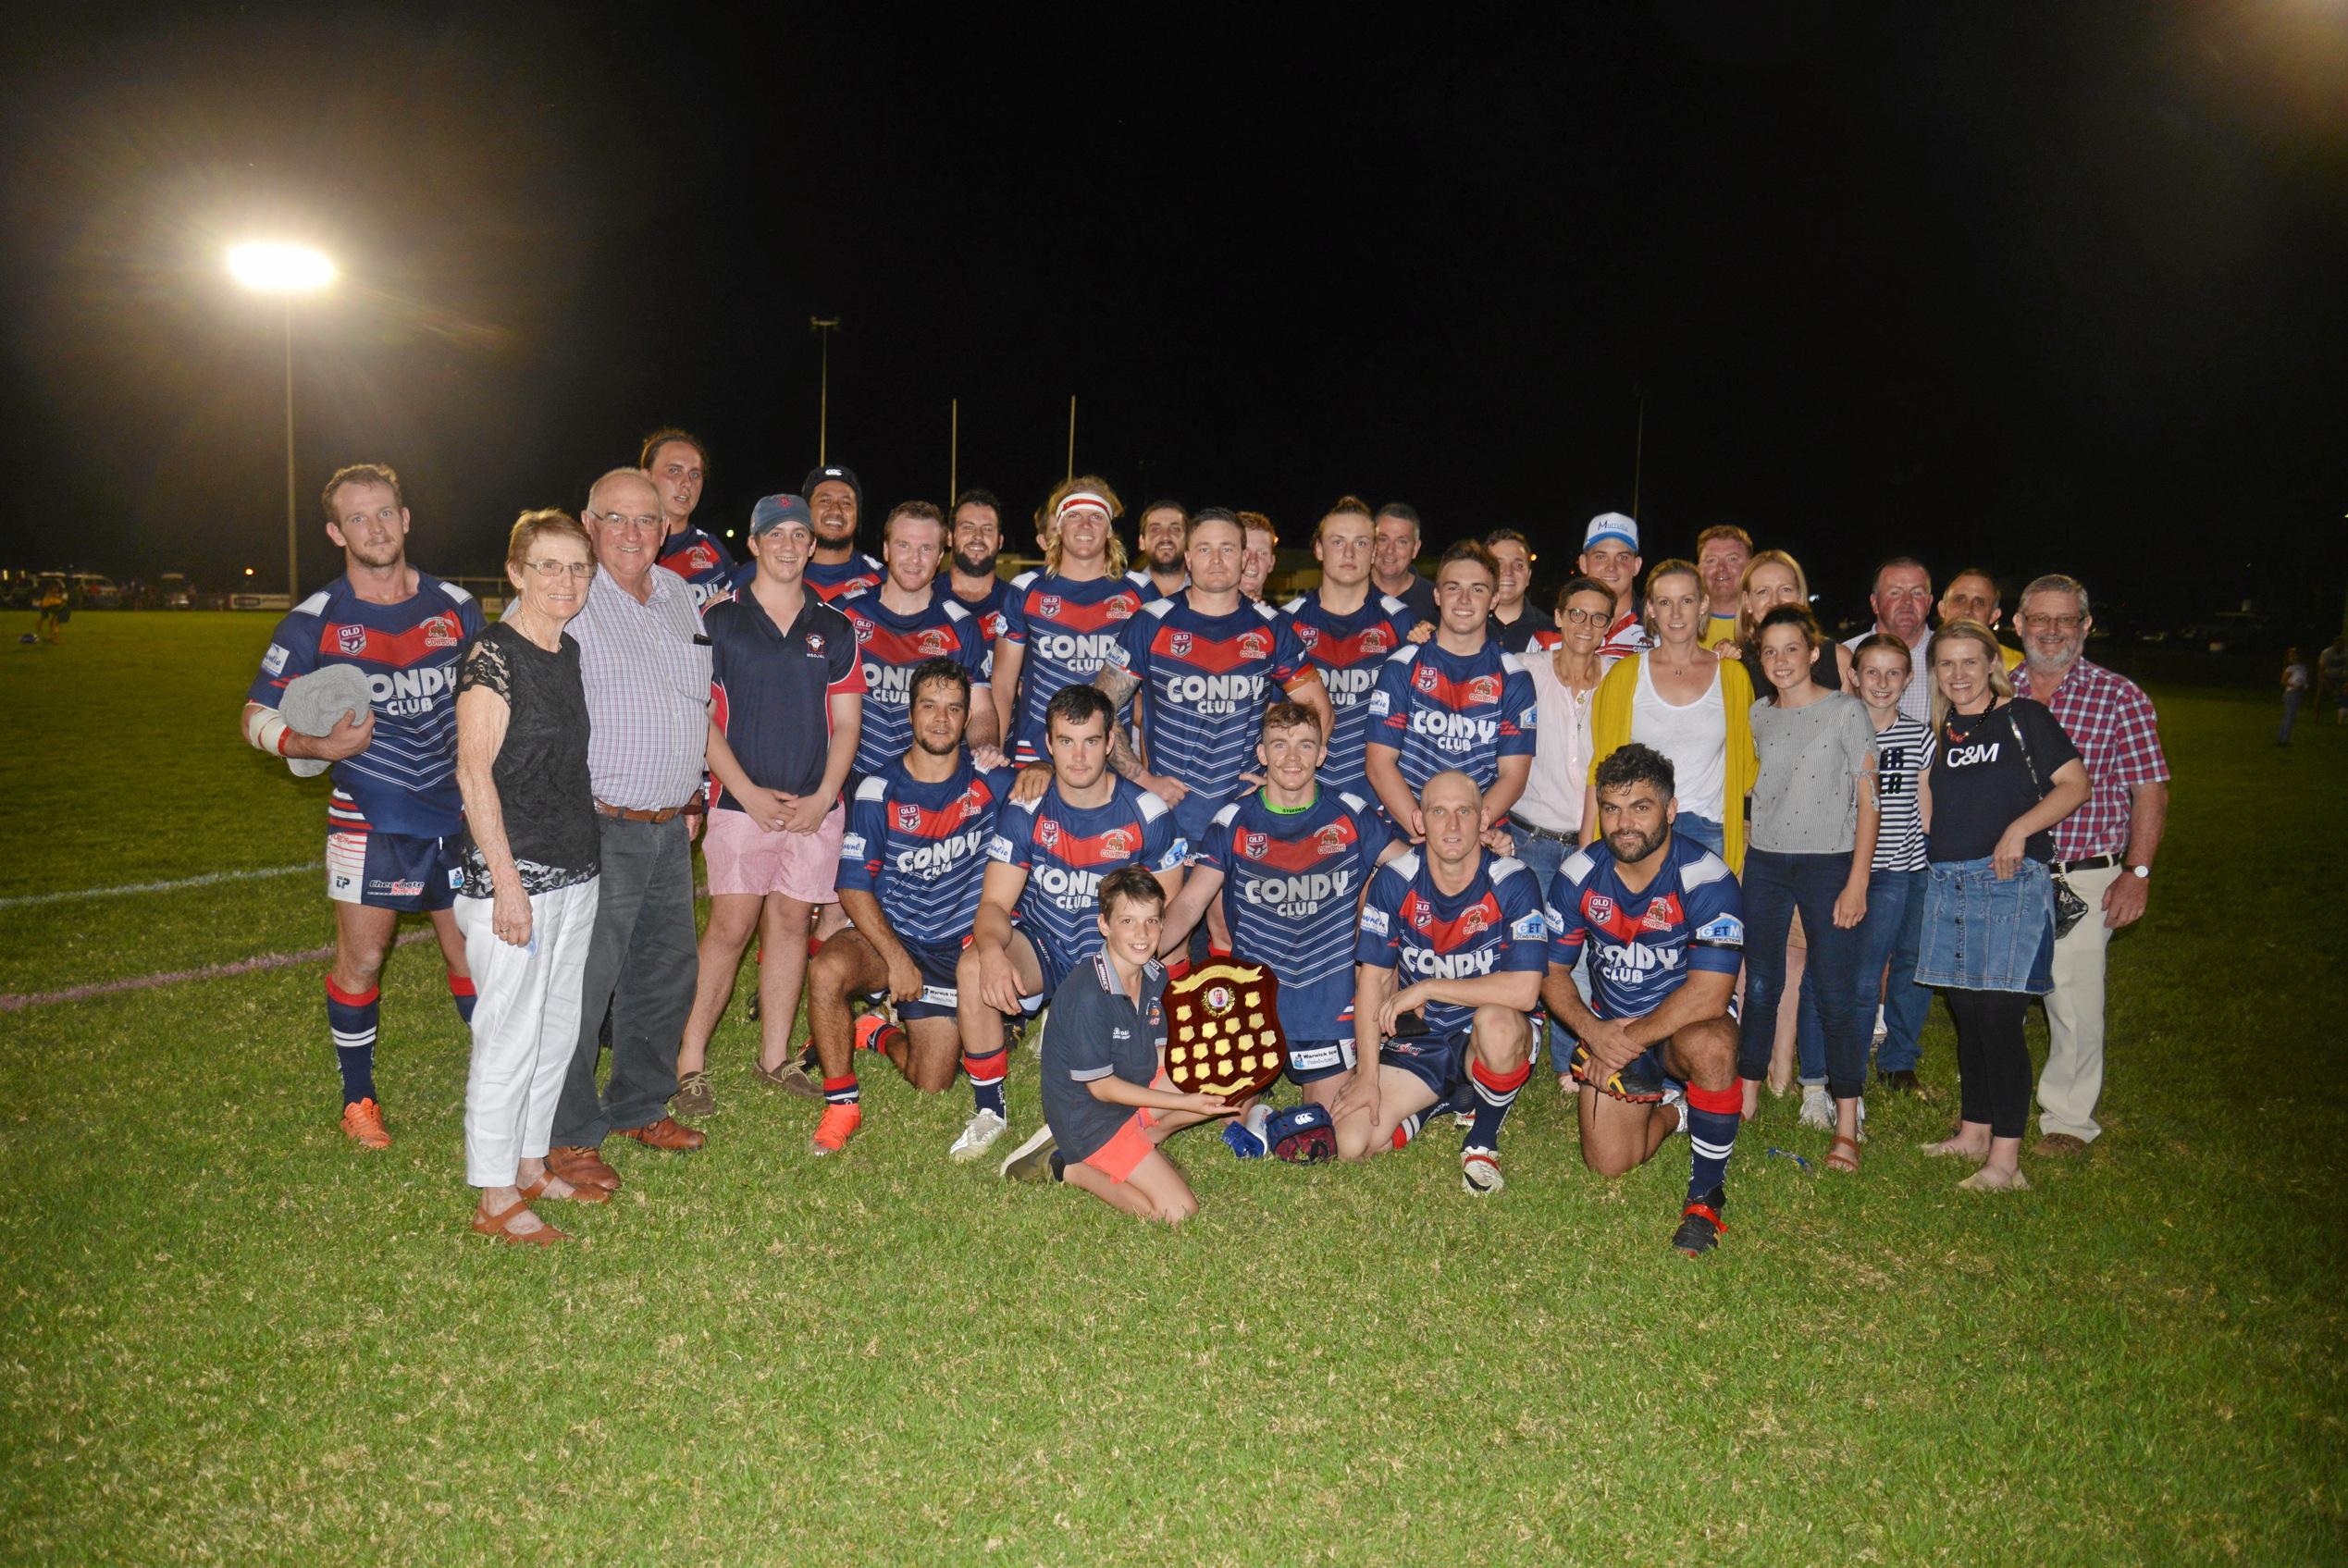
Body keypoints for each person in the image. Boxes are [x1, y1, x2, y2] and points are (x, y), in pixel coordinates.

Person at [241, 462, 485, 1149]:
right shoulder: (315, 620)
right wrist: (313, 740)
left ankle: (494, 1078)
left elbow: (487, 698)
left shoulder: (458, 606)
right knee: (363, 960)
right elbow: (254, 714)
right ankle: (358, 1099)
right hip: (369, 814)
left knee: (471, 955)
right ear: (335, 531)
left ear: (405, 519)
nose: (374, 528)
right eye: (357, 517)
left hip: (459, 812)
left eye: (385, 513)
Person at [545, 469, 716, 1182]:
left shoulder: (680, 595)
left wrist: (697, 795)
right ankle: (568, 1131)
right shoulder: (572, 596)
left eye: (646, 520)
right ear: (589, 523)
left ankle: (640, 1103)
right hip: (600, 823)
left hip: (671, 826)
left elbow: (696, 704)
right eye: (615, 519)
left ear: (666, 528)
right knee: (585, 983)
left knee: (664, 974)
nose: (632, 533)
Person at [676, 493, 863, 1104]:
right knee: (730, 925)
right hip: (741, 804)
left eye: (798, 535)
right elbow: (700, 715)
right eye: (773, 534)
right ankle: (689, 1061)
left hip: (814, 808)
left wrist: (824, 797)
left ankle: (774, 1057)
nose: (787, 545)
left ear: (812, 546)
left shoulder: (834, 626)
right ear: (753, 544)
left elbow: (847, 724)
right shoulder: (719, 617)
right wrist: (748, 792)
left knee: (790, 921)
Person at [953, 684, 1186, 1161]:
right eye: (1065, 741)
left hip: (1119, 961)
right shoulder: (1026, 811)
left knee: (1153, 1091)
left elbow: (1171, 914)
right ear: (1048, 742)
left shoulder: (1148, 813)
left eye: (1090, 741)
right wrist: (994, 953)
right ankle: (989, 1110)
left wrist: (1132, 978)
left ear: (1109, 741)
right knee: (973, 965)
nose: (1078, 757)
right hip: (1048, 947)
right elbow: (994, 905)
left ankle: (1077, 1043)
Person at [452, 510, 601, 1245]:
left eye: (578, 566)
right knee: (508, 1034)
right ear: (515, 571)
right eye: (547, 565)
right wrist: (507, 883)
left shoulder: (566, 650)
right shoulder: (493, 655)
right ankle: (492, 1191)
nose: (565, 581)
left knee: (556, 1028)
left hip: (577, 868)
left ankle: (532, 1160)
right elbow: (472, 770)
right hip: (514, 880)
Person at [806, 660, 1019, 1154]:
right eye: (929, 706)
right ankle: (841, 1106)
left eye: (953, 709)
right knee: (826, 972)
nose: (940, 719)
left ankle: (874, 1032)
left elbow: (1064, 786)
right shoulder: (878, 790)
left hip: (954, 948)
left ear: (968, 720)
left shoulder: (991, 781)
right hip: (892, 937)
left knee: (932, 1081)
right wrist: (897, 959)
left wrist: (1043, 773)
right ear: (910, 713)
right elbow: (854, 888)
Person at [1543, 743, 1747, 1253]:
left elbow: (1709, 994)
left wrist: (1624, 1041)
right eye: (1611, 808)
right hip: (1614, 1028)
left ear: (1670, 810)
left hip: (1682, 1027)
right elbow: (1549, 974)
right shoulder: (1577, 875)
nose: (1623, 823)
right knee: (1608, 1164)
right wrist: (1594, 1032)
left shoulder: (1707, 878)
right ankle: (1679, 1111)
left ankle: (1705, 1199)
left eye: (1641, 807)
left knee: (1713, 1047)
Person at [1154, 703, 1403, 1114]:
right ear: (1262, 753)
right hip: (1254, 999)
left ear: (1322, 755)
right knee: (1223, 1116)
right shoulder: (1233, 820)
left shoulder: (1352, 814)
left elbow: (1411, 870)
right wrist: (1141, 954)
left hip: (1328, 1000)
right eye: (1280, 745)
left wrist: (1480, 854)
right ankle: (1256, 1089)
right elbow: (1191, 902)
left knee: (1330, 1125)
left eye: (1306, 745)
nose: (1292, 757)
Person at [1916, 618, 2090, 1190]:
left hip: (2008, 881)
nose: (1959, 674)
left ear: (1992, 663)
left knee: (1998, 1016)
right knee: (1967, 1014)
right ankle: (1974, 1132)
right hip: (1948, 882)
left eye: (1970, 661)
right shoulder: (1939, 734)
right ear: (1935, 672)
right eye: (1946, 663)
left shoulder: (2024, 720)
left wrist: (2019, 830)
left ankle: (2006, 1162)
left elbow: (2073, 784)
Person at [2009, 574, 2169, 1159]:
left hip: (2083, 870)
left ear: (2085, 627)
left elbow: (2149, 789)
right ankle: (1994, 1102)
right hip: (2005, 867)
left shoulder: (2119, 696)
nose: (2052, 631)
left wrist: (2138, 871)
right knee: (1996, 991)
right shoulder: (1997, 687)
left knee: (2072, 999)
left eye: (2066, 620)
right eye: (2041, 620)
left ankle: (2068, 1121)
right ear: (2019, 624)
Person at [1338, 771, 1544, 1191]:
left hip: (1489, 1029)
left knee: (1497, 1024)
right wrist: (1367, 1078)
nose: (1452, 826)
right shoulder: (1394, 880)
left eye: (1463, 812)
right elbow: (1371, 984)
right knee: (1353, 1141)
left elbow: (1525, 992)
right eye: (1439, 812)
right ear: (1419, 822)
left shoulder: (1514, 880)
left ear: (1484, 818)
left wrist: (1427, 987)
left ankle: (1482, 1138)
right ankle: (1448, 1099)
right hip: (1426, 1032)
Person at [995, 869, 1236, 1218]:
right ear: (1104, 925)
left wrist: (1211, 1051)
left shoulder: (1154, 976)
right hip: (1090, 1120)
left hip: (1126, 1092)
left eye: (1152, 921)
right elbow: (1102, 1088)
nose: (1142, 934)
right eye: (1128, 921)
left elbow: (1157, 1052)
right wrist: (1182, 1101)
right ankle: (1069, 1166)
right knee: (1178, 1212)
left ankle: (1144, 1143)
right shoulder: (1088, 995)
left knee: (1211, 1070)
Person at [1735, 606, 1880, 1171]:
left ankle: (1846, 1122)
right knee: (1763, 984)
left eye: (1791, 649)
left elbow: (1869, 800)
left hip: (1828, 864)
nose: (1780, 661)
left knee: (1835, 992)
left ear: (1814, 652)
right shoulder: (1760, 714)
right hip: (1767, 863)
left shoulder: (1847, 711)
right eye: (1769, 651)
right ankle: (1745, 1095)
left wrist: (1857, 881)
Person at [1093, 508, 1330, 852]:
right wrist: (1143, 779)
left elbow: (1318, 709)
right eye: (1204, 549)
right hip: (1170, 811)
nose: (1216, 560)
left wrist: (1282, 780)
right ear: (1188, 557)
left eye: (1228, 549)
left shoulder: (1272, 628)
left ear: (1245, 557)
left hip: (1245, 813)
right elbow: (1101, 708)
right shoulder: (1151, 622)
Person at [1588, 560, 1757, 872]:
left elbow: (1748, 769)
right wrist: (1588, 856)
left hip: (1710, 832)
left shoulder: (1732, 676)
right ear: (1650, 608)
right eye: (1665, 602)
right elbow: (1601, 771)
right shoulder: (1624, 677)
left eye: (1687, 601)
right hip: (1640, 829)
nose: (1676, 614)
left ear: (1703, 604)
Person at [1363, 540, 1536, 836]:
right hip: (1408, 832)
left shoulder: (1515, 677)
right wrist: (1422, 829)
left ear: (1494, 599)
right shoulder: (1401, 666)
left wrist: (1464, 833)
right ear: (1437, 595)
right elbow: (1379, 765)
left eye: (1478, 589)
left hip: (1477, 836)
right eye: (1454, 587)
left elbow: (1513, 777)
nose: (1465, 599)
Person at [990, 477, 1149, 764]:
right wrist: (995, 755)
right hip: (1036, 751)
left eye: (1096, 516)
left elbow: (1153, 693)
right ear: (1059, 527)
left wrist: (1148, 769)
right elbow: (1003, 684)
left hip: (1111, 753)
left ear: (1110, 530)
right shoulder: (1025, 589)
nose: (1085, 525)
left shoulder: (1140, 591)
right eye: (1074, 515)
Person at [836, 500, 997, 779]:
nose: (914, 559)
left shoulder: (961, 627)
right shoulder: (843, 613)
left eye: (926, 549)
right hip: (848, 778)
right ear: (886, 550)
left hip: (925, 785)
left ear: (939, 557)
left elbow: (980, 709)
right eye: (904, 545)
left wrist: (986, 748)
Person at [1281, 497, 1422, 796]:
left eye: (1360, 543)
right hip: (1302, 791)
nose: (1348, 553)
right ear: (1318, 549)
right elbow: (1266, 713)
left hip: (1377, 798)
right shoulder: (1285, 622)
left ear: (1373, 552)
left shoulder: (1402, 623)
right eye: (1337, 542)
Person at [1848, 633, 1935, 1094]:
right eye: (1872, 671)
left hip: (1910, 865)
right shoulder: (1842, 729)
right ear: (1854, 676)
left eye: (1893, 672)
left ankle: (1900, 1059)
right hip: (1864, 867)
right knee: (1866, 969)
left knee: (1912, 963)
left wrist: (1930, 858)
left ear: (1907, 680)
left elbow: (1925, 799)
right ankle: (1852, 1060)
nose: (1882, 682)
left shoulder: (1919, 734)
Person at [1512, 574, 1612, 905]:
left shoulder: (1621, 677)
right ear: (1558, 617)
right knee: (1528, 951)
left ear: (1607, 627)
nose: (1586, 625)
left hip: (1597, 845)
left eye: (1598, 618)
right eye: (1576, 614)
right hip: (1530, 843)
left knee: (1586, 955)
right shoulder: (1525, 670)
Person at [1717, 549, 1855, 690]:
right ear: (1747, 602)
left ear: (1800, 596)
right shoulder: (1734, 664)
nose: (1775, 601)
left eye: (1786, 589)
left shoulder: (1838, 659)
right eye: (1763, 592)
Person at [641, 428, 735, 610]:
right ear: (646, 478)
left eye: (695, 474)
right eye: (674, 471)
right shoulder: (626, 549)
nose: (687, 483)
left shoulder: (711, 548)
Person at [1843, 557, 1934, 723]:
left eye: (1917, 593)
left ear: (1929, 603)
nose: (1907, 602)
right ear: (1874, 603)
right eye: (1895, 593)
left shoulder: (1950, 656)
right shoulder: (1845, 656)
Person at [798, 463, 886, 602]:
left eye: (846, 503)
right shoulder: (778, 572)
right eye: (825, 501)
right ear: (805, 511)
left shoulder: (882, 580)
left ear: (858, 516)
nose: (835, 510)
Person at [1579, 513, 1651, 661]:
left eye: (1622, 557)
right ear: (1583, 563)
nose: (1611, 567)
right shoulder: (1556, 628)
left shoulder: (1660, 629)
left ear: (1637, 566)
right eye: (1600, 556)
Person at [946, 488, 1013, 646]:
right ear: (950, 537)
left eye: (988, 529)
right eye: (968, 527)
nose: (978, 536)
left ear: (1000, 541)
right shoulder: (927, 597)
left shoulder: (1016, 603)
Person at [1937, 567, 2023, 671]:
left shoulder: (2015, 666)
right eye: (1959, 600)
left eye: (1979, 603)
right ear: (1942, 609)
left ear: (1993, 616)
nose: (1967, 610)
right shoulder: (1920, 659)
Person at [1371, 501, 1440, 623]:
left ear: (1415, 549)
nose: (1390, 550)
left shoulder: (1436, 601)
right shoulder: (1350, 592)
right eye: (1383, 539)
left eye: (1401, 542)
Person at [1694, 525, 1752, 650]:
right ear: (1699, 569)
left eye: (1732, 559)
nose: (1721, 568)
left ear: (1750, 566)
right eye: (1711, 560)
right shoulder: (1681, 625)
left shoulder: (1763, 624)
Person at [1484, 529, 1543, 654]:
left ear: (1529, 576)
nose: (1508, 571)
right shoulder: (1462, 625)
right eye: (1497, 564)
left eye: (1518, 565)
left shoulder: (1551, 631)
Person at [1128, 499, 1189, 602]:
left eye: (1175, 529)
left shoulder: (1208, 591)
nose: (1165, 537)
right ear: (1142, 542)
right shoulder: (1124, 592)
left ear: (1189, 541)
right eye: (1155, 530)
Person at [2279, 648, 2310, 747]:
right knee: (2290, 716)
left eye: (2294, 655)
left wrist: (2304, 687)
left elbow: (2303, 681)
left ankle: (2282, 737)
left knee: (2289, 716)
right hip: (2292, 693)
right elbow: (2283, 681)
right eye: (2291, 655)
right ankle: (2284, 739)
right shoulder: (2290, 668)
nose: (2293, 657)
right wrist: (2295, 686)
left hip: (2298, 693)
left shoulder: (2302, 668)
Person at [2317, 636, 2347, 723]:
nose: (2339, 647)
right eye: (2338, 644)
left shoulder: (2346, 652)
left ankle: (2342, 718)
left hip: (2340, 677)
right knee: (2320, 696)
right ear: (2334, 644)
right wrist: (2325, 680)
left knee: (2343, 697)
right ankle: (2316, 717)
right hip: (2327, 676)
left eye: (2341, 645)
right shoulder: (2327, 652)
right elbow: (2321, 669)